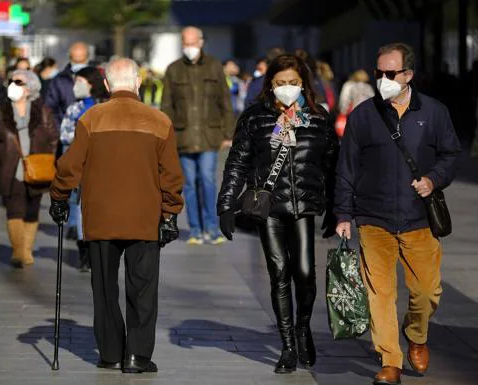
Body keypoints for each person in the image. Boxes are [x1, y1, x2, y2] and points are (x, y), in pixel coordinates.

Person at [334, 43, 462, 385]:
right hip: (373, 219)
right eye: (379, 73)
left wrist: (433, 180)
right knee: (380, 295)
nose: (383, 80)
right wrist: (343, 214)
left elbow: (451, 156)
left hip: (419, 220)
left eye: (390, 74)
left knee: (426, 292)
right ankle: (390, 360)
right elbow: (345, 168)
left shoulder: (434, 113)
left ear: (408, 75)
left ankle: (417, 335)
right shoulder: (364, 115)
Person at [49, 58, 184, 373]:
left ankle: (110, 353)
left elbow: (71, 165)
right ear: (137, 82)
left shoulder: (91, 118)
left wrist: (59, 196)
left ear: (107, 85)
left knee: (105, 288)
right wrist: (171, 212)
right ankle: (137, 355)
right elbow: (172, 175)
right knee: (142, 288)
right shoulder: (159, 120)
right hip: (145, 217)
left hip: (101, 217)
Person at [217, 54, 338, 374]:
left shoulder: (317, 117)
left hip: (303, 205)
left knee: (306, 273)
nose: (287, 89)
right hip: (268, 205)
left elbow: (332, 163)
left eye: (293, 83)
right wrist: (226, 204)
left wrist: (337, 207)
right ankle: (287, 345)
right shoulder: (255, 117)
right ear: (270, 85)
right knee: (279, 272)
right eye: (281, 83)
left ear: (304, 85)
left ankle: (302, 327)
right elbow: (237, 162)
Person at [161, 26, 233, 245]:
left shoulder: (214, 66)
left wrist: (228, 133)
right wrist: (167, 135)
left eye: (192, 43)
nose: (189, 47)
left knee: (208, 180)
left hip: (209, 135)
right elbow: (167, 105)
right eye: (185, 43)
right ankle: (195, 229)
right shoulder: (173, 69)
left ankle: (212, 227)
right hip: (183, 137)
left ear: (201, 42)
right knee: (190, 184)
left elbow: (225, 102)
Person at [0, 70, 57, 268]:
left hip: (36, 167)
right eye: (11, 81)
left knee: (31, 210)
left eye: (18, 82)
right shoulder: (2, 110)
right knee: (14, 210)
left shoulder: (43, 110)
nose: (13, 85)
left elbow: (53, 137)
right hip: (11, 167)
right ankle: (18, 252)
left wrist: (49, 156)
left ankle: (27, 250)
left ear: (29, 87)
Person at [59, 66, 109, 270]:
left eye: (81, 81)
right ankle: (85, 251)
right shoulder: (74, 108)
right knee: (81, 208)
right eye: (75, 81)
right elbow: (64, 135)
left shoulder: (104, 106)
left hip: (103, 165)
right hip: (80, 165)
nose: (76, 85)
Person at [45, 42, 91, 128]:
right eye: (75, 61)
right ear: (70, 58)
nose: (79, 66)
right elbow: (50, 108)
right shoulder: (59, 80)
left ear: (87, 58)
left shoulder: (97, 77)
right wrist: (61, 130)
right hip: (66, 133)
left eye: (81, 61)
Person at [335, 69, 375, 138]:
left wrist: (343, 112)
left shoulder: (349, 85)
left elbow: (344, 100)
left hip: (353, 115)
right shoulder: (368, 87)